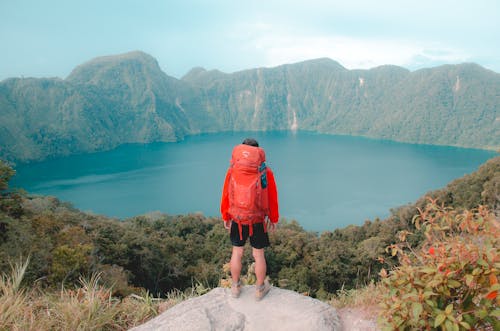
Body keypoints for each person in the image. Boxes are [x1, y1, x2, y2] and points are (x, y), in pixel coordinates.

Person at [220, 138, 279, 300]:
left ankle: (235, 287)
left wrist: (226, 215)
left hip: (237, 218)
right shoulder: (265, 172)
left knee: (237, 252)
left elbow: (226, 194)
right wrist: (273, 218)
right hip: (257, 219)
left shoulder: (232, 170)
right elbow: (272, 197)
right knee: (258, 254)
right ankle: (260, 289)